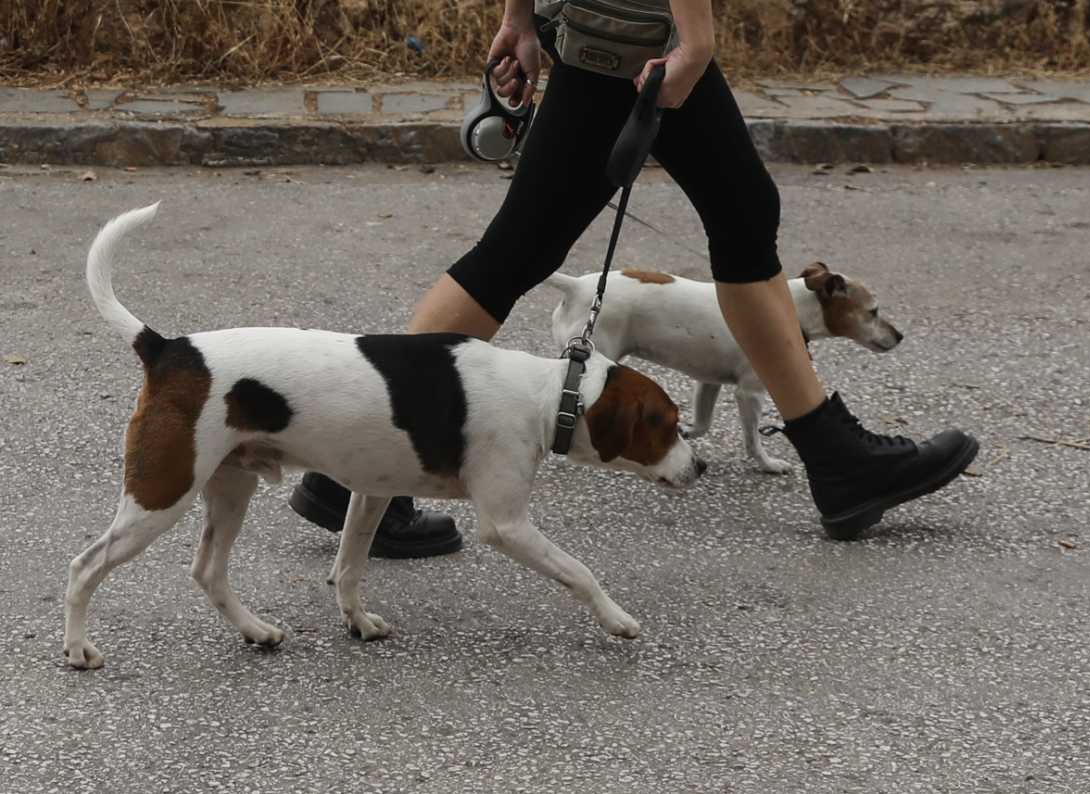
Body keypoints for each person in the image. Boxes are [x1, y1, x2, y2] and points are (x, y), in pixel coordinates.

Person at [289, 0, 978, 556]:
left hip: (607, 23)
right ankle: (838, 462)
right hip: (641, 32)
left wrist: (522, 15)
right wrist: (696, 32)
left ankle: (349, 462)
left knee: (544, 244)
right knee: (720, 221)